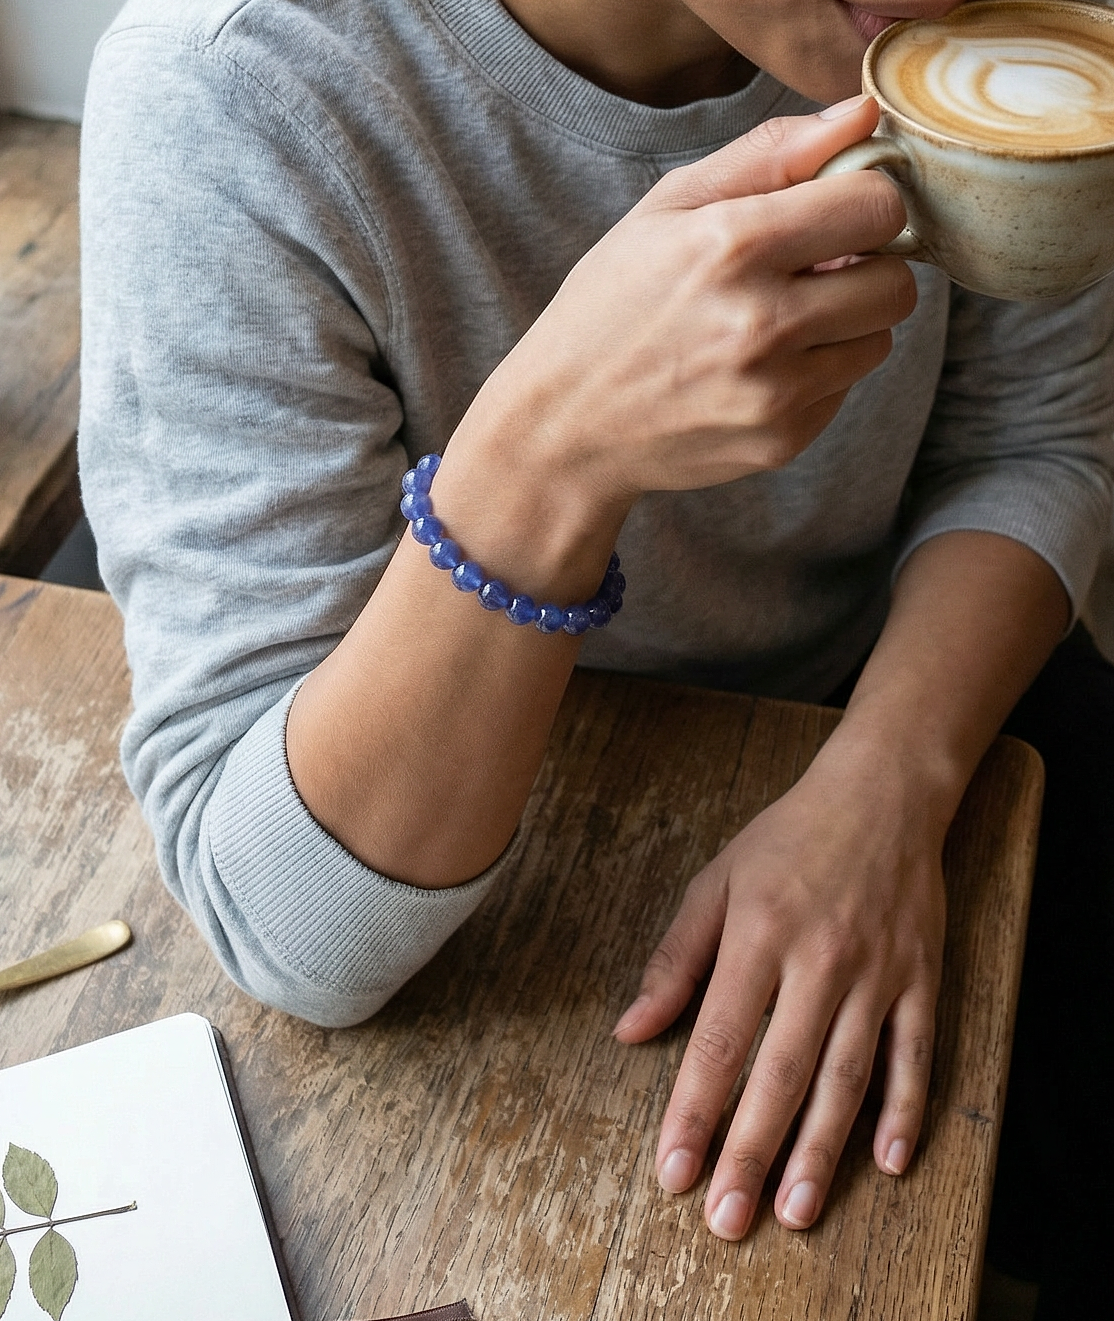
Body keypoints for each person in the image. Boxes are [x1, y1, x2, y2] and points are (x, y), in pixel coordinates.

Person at [78, 0, 1114, 1313]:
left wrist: (883, 790)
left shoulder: (1009, 36)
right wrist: (554, 451)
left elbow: (1032, 445)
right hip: (488, 800)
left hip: (912, 685)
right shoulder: (233, 91)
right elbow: (291, 930)